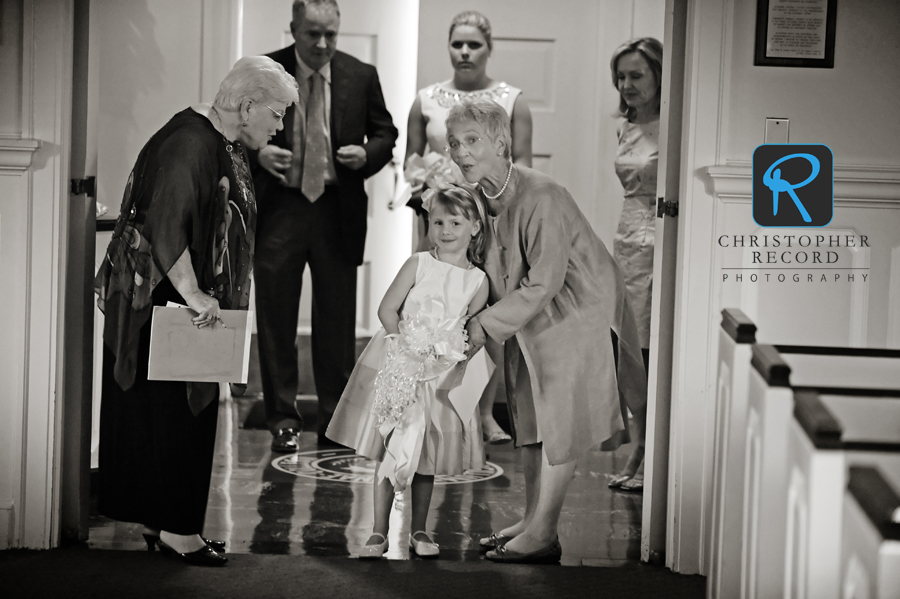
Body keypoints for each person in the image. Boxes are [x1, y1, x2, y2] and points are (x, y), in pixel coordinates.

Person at [94, 56, 299, 567]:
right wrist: (196, 294)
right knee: (182, 415)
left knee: (167, 415)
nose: (280, 126)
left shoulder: (217, 138)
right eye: (276, 114)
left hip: (163, 301)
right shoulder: (192, 142)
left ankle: (161, 523)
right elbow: (166, 223)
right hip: (167, 302)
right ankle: (179, 531)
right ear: (248, 105)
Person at [447, 99, 647, 564]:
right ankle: (532, 519)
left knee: (559, 414)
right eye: (454, 142)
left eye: (472, 141)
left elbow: (545, 281)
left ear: (501, 141)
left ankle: (545, 532)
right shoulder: (479, 196)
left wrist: (481, 326)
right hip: (528, 313)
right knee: (530, 416)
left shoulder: (542, 195)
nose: (461, 152)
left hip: (578, 306)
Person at [251, 0, 399, 452]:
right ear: (293, 28)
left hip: (337, 210)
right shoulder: (265, 72)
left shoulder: (361, 74)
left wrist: (367, 155)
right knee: (276, 318)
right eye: (312, 33)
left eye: (331, 34)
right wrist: (258, 152)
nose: (322, 44)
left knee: (336, 323)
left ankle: (335, 419)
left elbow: (386, 133)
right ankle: (282, 418)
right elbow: (237, 129)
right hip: (281, 209)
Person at [326, 186, 490, 560]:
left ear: (475, 228)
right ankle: (379, 531)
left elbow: (470, 330)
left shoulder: (479, 282)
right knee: (390, 444)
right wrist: (406, 345)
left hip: (440, 376)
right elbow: (388, 309)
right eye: (437, 222)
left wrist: (450, 356)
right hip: (400, 364)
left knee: (426, 456)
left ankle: (420, 529)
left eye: (455, 222)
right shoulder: (419, 263)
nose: (445, 230)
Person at [405, 10, 533, 446]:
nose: (464, 52)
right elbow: (411, 161)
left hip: (490, 225)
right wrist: (432, 178)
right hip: (440, 222)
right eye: (457, 43)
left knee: (485, 317)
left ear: (488, 48)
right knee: (433, 313)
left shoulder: (512, 99)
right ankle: (426, 401)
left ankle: (483, 413)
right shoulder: (425, 99)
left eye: (474, 44)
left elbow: (522, 170)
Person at [606, 37, 663, 493]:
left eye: (636, 75)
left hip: (659, 242)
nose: (626, 85)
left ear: (660, 75)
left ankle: (655, 452)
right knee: (627, 349)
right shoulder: (625, 127)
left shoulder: (676, 125)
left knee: (650, 349)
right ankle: (638, 444)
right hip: (625, 240)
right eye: (621, 76)